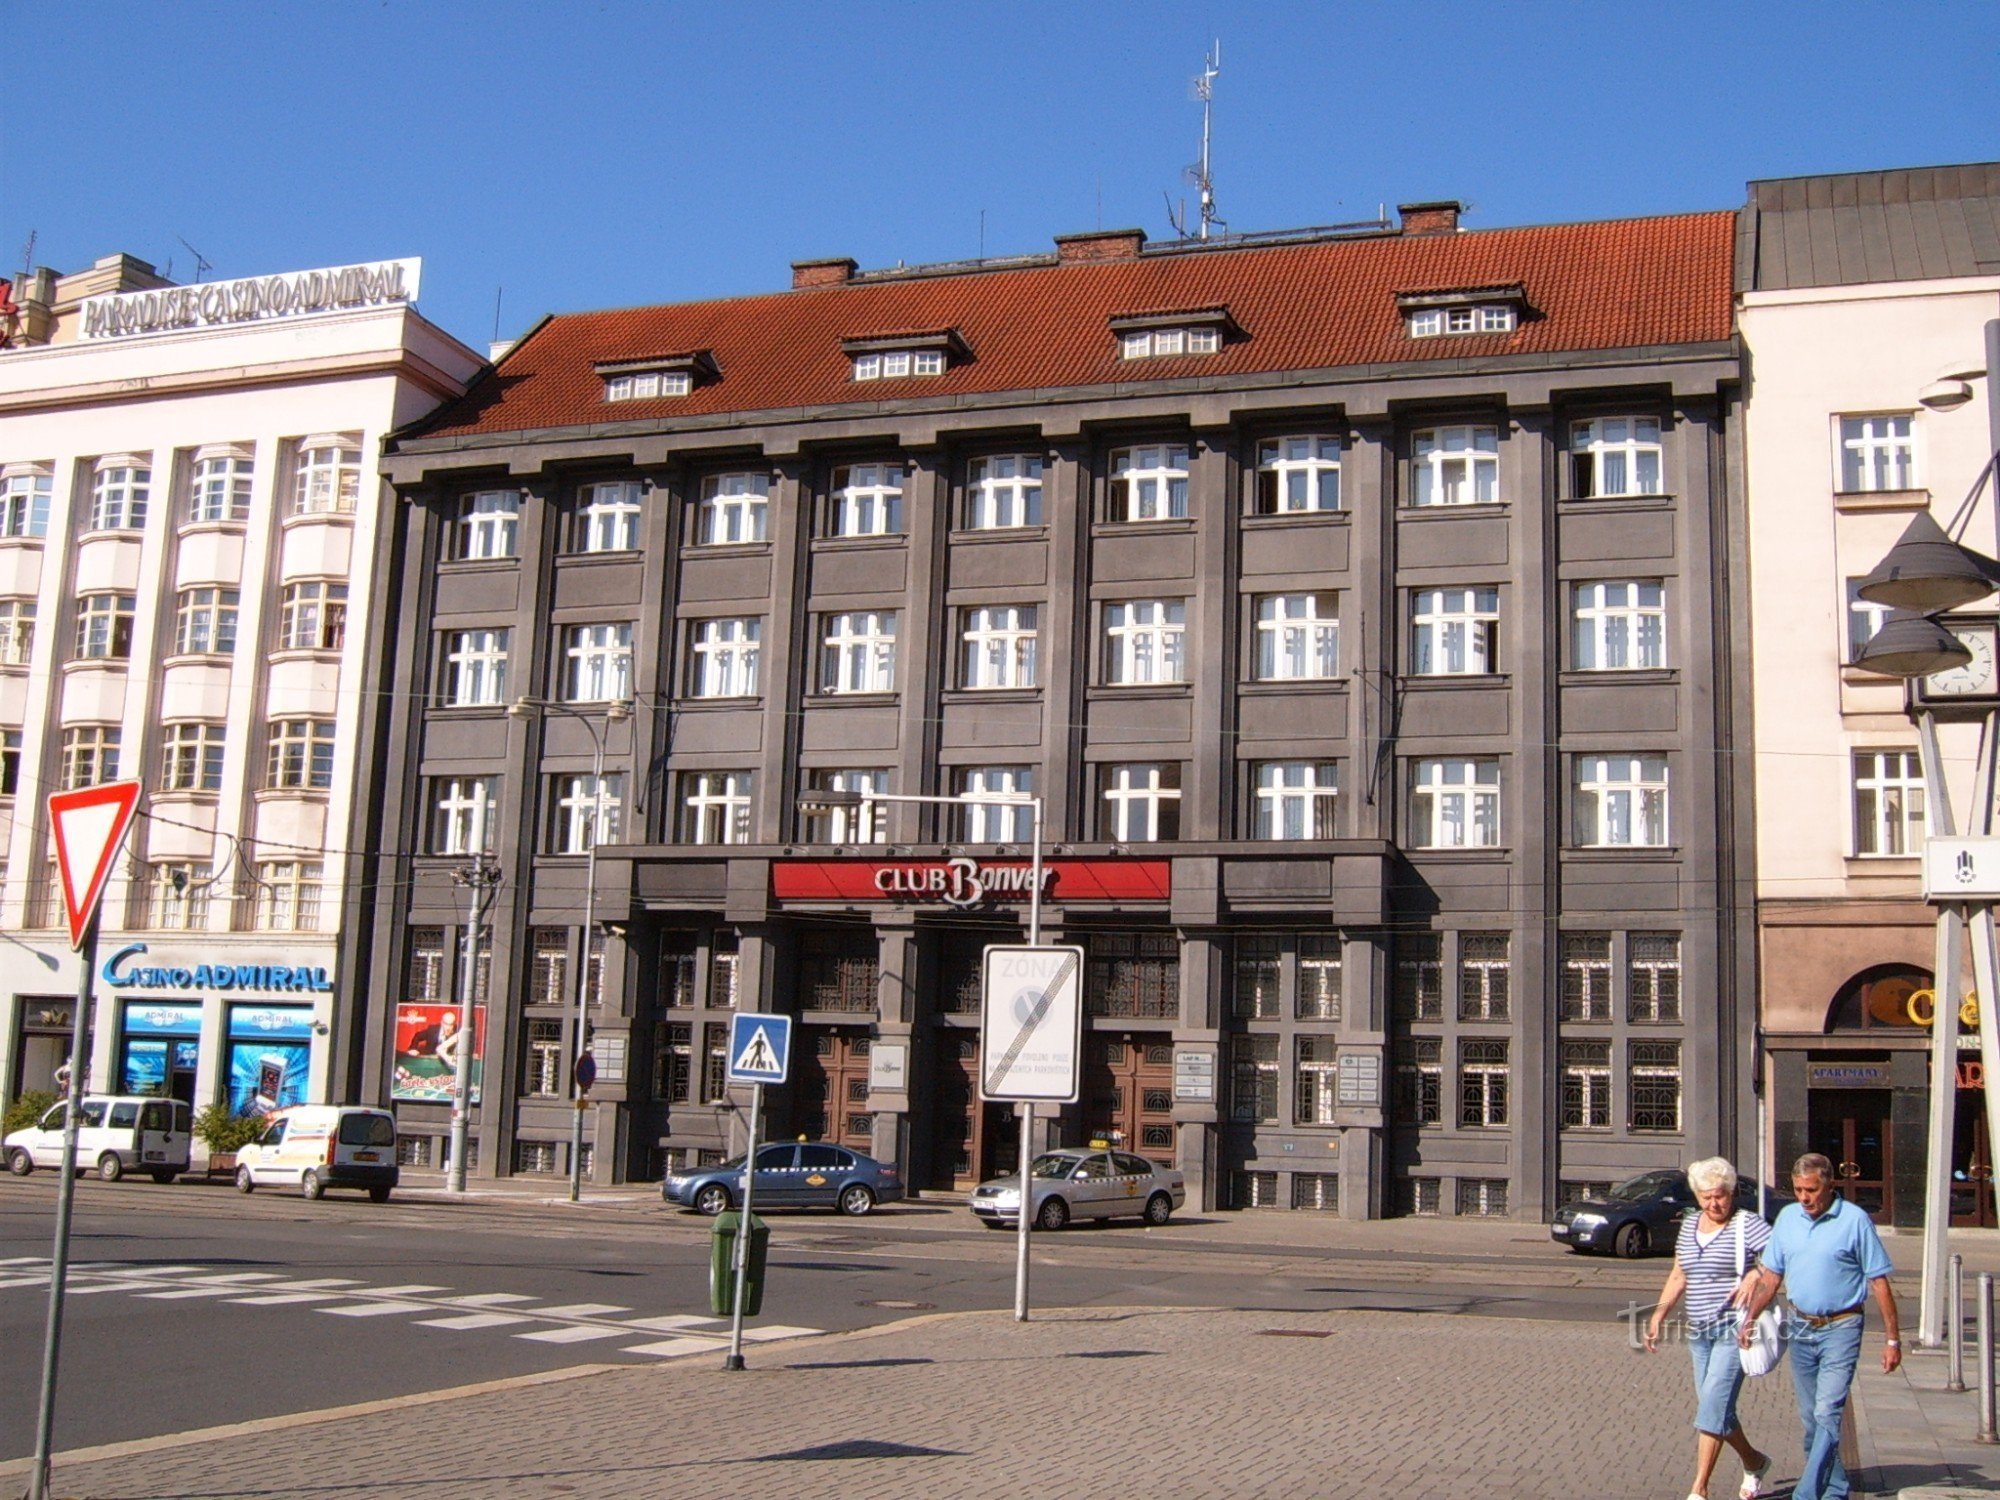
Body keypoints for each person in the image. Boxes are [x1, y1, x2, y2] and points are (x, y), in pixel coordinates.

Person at [1738, 1152, 1901, 1500]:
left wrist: (1892, 1340)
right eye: (1798, 1189)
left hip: (1841, 1327)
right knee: (1811, 1418)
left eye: (1811, 1190)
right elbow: (1771, 1277)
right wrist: (1750, 1318)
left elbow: (1880, 1283)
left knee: (1828, 1412)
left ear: (1829, 1186)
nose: (1804, 1198)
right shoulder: (1787, 1219)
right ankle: (1836, 1488)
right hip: (1799, 1327)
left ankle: (1807, 1493)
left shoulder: (1855, 1220)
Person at [1644, 1157, 1775, 1500]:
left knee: (1712, 1407)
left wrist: (1755, 1273)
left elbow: (1781, 1258)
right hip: (1699, 1331)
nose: (1714, 1203)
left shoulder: (1748, 1225)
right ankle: (1754, 1460)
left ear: (1731, 1193)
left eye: (1720, 1196)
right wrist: (1659, 1315)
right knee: (1714, 1409)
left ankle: (1699, 1489)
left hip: (1735, 1329)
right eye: (1706, 1197)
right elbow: (1679, 1274)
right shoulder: (1689, 1225)